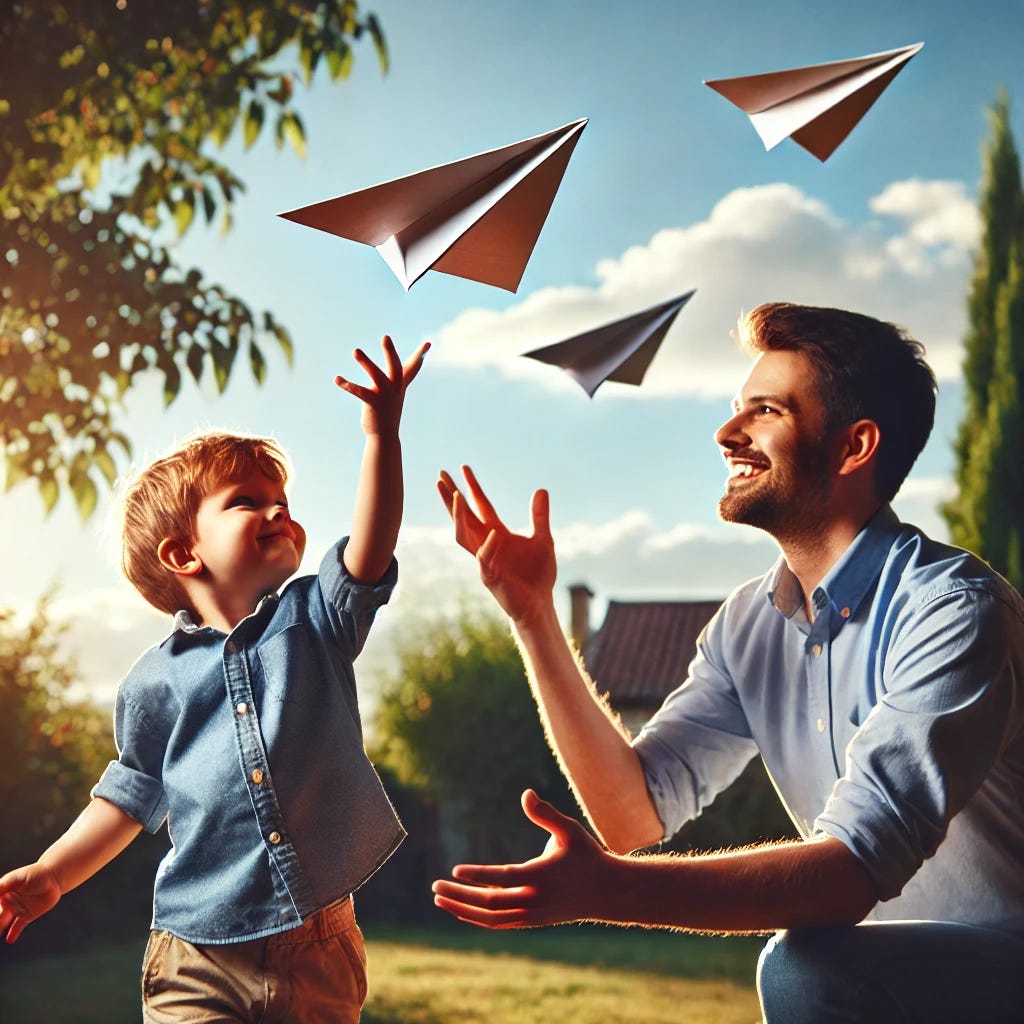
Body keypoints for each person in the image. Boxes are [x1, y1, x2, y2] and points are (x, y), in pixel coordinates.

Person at [432, 302, 1024, 1023]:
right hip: (891, 983)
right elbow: (632, 812)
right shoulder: (750, 624)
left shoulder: (952, 611)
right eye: (735, 408)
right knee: (819, 968)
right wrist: (531, 614)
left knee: (808, 968)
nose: (725, 434)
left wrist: (610, 889)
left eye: (765, 411)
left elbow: (846, 876)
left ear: (853, 446)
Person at [0, 335, 429, 1023]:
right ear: (182, 553)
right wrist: (53, 873)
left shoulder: (314, 622)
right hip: (195, 952)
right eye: (246, 501)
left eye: (281, 498)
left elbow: (370, 548)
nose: (277, 510)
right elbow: (127, 799)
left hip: (319, 948)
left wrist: (383, 435)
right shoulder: (154, 683)